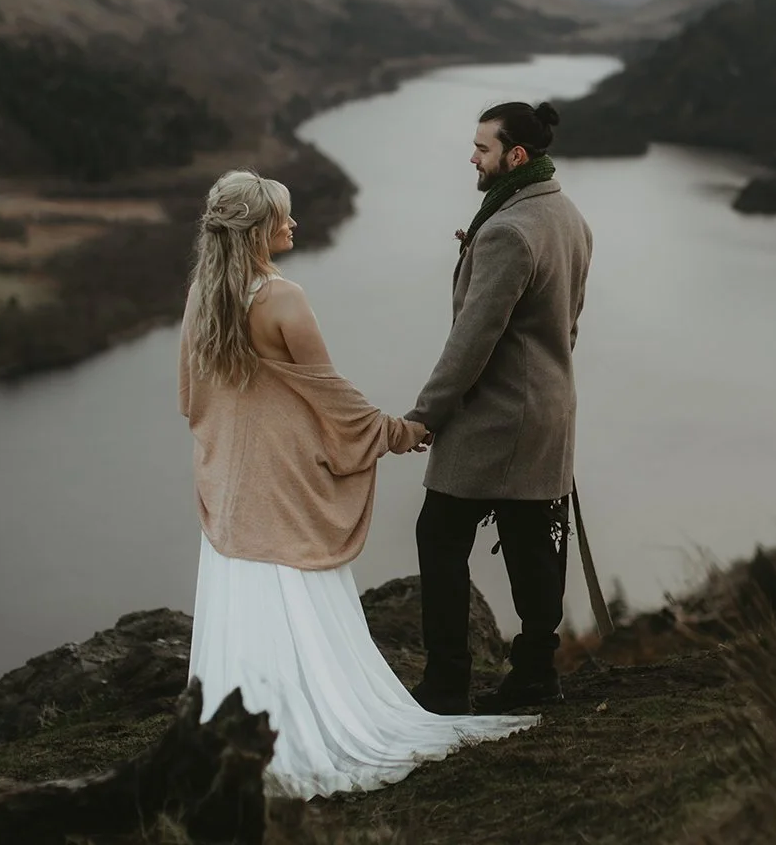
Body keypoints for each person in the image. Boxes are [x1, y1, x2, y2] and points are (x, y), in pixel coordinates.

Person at [178, 169, 537, 800]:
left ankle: (237, 731)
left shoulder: (205, 296)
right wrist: (399, 432)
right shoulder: (282, 299)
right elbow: (333, 399)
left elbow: (194, 401)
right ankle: (313, 722)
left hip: (232, 489)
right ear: (259, 228)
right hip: (282, 488)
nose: (294, 225)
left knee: (246, 601)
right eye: (283, 217)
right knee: (297, 599)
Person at [406, 101, 593, 715]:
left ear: (516, 156)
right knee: (537, 545)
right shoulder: (565, 215)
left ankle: (446, 683)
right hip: (549, 409)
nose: (472, 156)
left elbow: (472, 341)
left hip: (496, 418)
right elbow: (567, 322)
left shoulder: (510, 230)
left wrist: (426, 414)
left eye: (483, 148)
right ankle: (537, 673)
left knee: (438, 537)